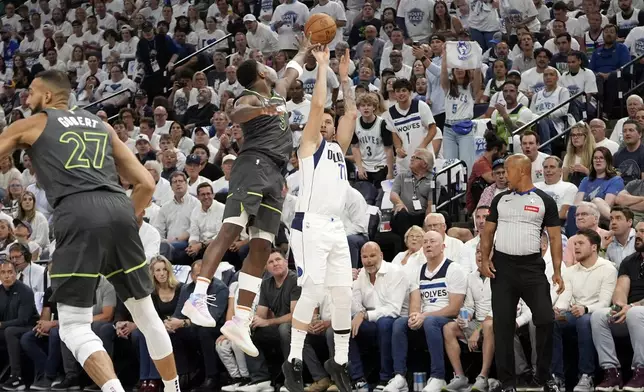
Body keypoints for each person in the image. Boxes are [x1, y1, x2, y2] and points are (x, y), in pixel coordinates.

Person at [0, 70, 181, 392]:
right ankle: (173, 387)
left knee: (72, 326)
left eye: (30, 93)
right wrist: (122, 215)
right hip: (119, 207)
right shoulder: (102, 125)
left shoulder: (34, 123)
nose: (26, 99)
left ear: (45, 96)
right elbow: (147, 183)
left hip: (77, 212)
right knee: (146, 312)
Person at [181, 36, 312, 351]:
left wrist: (307, 50)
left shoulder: (279, 92)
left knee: (262, 248)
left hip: (275, 173)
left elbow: (293, 71)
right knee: (230, 231)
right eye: (268, 67)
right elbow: (237, 114)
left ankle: (240, 319)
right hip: (252, 165)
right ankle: (197, 296)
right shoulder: (251, 97)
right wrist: (260, 109)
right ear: (263, 75)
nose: (274, 69)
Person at [282, 46, 357, 392]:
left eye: (331, 121)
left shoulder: (339, 149)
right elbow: (316, 106)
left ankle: (339, 361)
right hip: (309, 223)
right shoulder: (308, 147)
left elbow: (351, 113)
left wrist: (345, 79)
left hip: (336, 226)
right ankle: (294, 359)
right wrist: (323, 67)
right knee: (311, 290)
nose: (328, 123)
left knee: (343, 294)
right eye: (324, 121)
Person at [480, 154, 564, 392]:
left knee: (546, 319)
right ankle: (508, 383)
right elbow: (487, 232)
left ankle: (544, 375)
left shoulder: (544, 200)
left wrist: (557, 270)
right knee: (503, 327)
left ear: (523, 172)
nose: (504, 176)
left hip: (532, 268)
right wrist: (485, 260)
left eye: (508, 171)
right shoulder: (499, 200)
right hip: (503, 268)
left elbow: (555, 237)